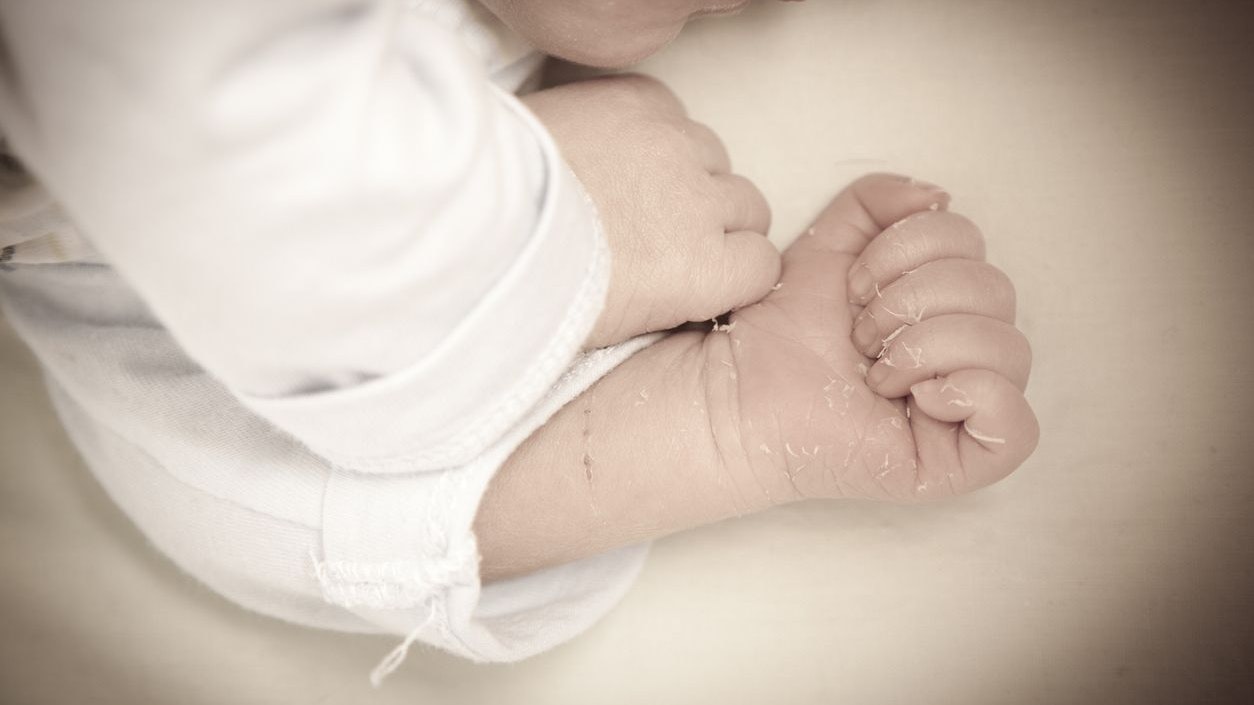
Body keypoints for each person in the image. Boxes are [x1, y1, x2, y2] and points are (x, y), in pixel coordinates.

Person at [0, 0, 1037, 682]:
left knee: (234, 477)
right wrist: (567, 238)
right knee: (226, 476)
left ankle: (726, 411)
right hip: (109, 207)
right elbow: (214, 102)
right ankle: (722, 420)